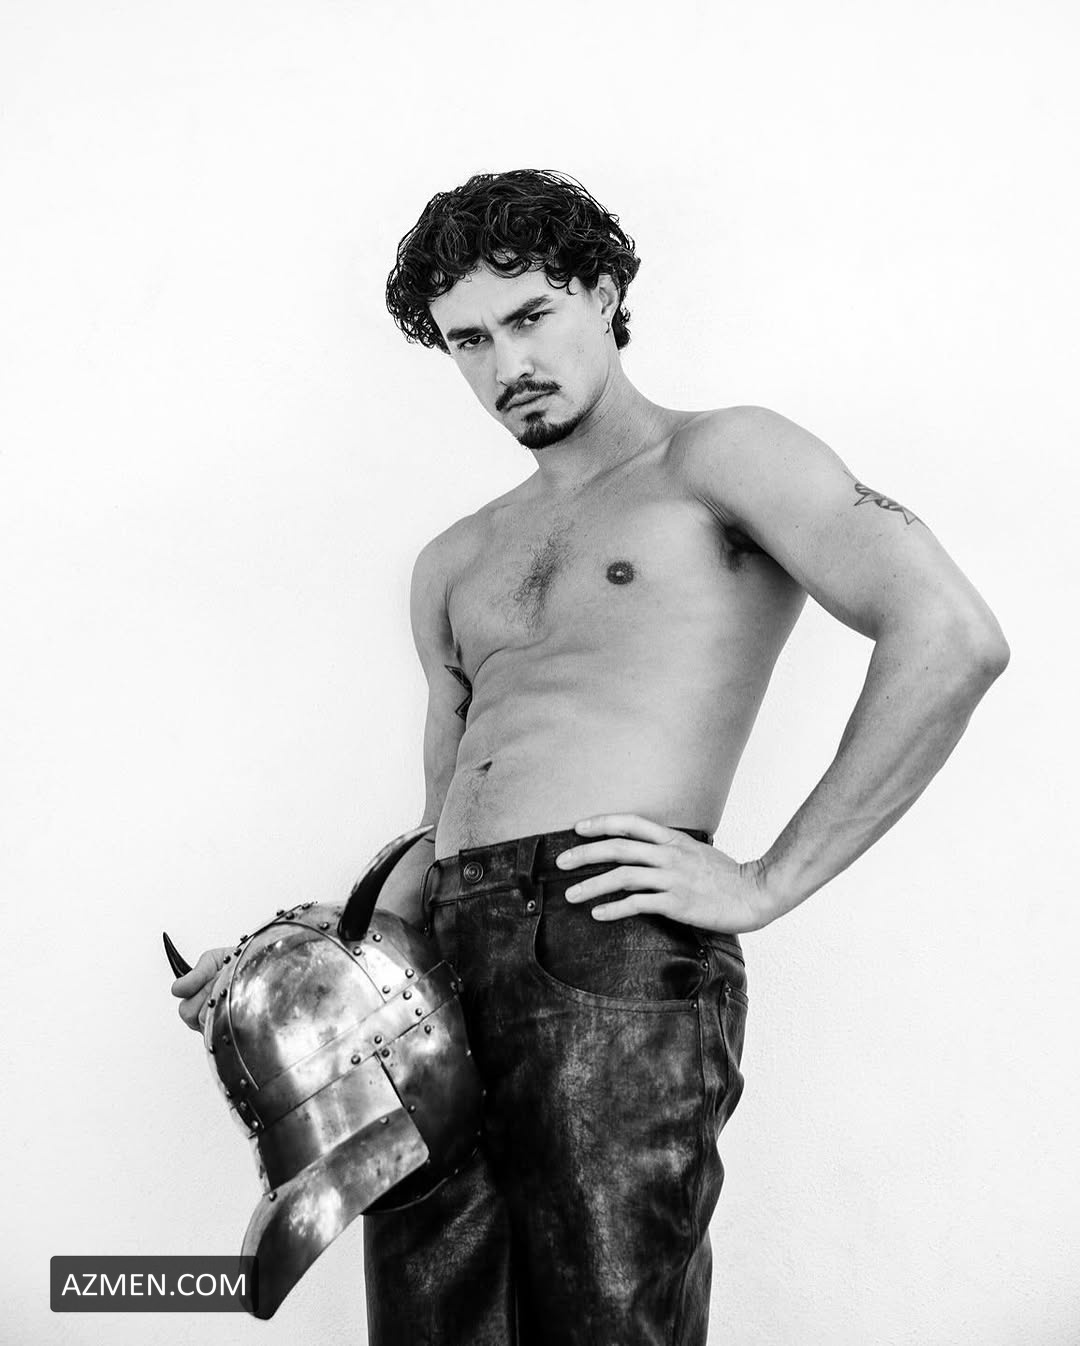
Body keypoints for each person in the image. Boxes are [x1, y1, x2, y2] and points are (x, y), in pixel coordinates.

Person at [173, 169, 1009, 1344]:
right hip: (431, 975)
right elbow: (443, 813)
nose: (506, 362)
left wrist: (767, 879)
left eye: (531, 316)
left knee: (609, 1322)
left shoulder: (720, 457)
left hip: (607, 935)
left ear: (606, 292)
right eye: (469, 339)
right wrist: (302, 959)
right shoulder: (453, 559)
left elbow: (952, 635)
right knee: (431, 1323)